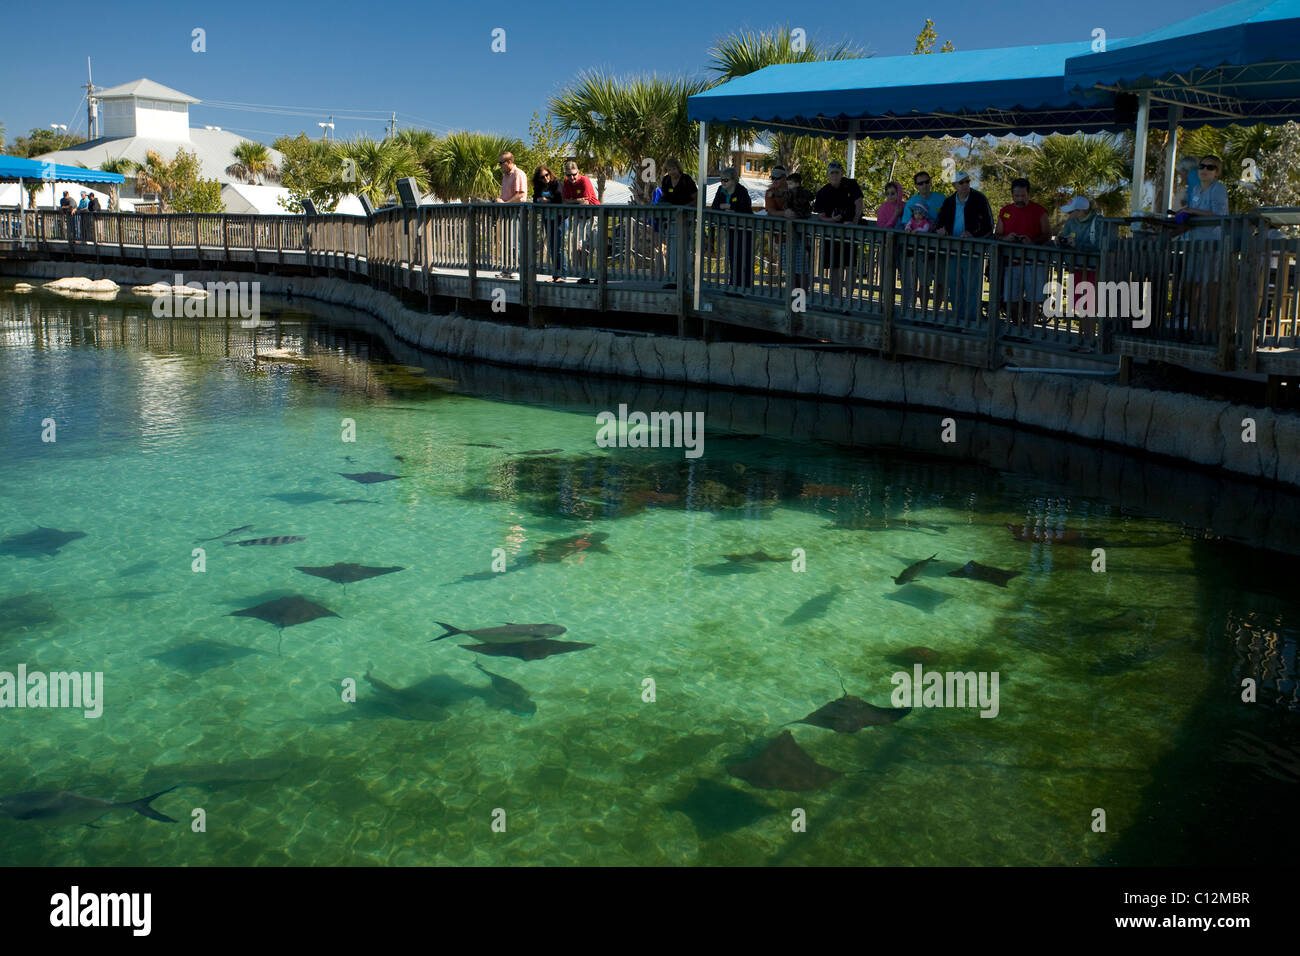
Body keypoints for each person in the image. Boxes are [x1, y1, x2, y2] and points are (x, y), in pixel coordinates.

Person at [1175, 154, 1229, 336]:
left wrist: (1191, 210)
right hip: (1195, 243)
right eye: (1202, 166)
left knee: (1209, 285)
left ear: (1217, 172)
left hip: (1212, 244)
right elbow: (1196, 212)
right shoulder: (1196, 189)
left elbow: (1220, 213)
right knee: (1192, 284)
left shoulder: (1219, 188)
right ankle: (1194, 324)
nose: (1205, 170)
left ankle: (1209, 326)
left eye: (1210, 167)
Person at [935, 171, 994, 323]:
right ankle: (957, 317)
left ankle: (971, 320)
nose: (966, 184)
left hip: (972, 250)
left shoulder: (979, 199)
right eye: (962, 182)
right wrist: (941, 230)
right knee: (954, 284)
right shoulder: (948, 202)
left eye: (968, 181)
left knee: (971, 285)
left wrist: (973, 235)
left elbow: (989, 225)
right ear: (954, 185)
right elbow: (939, 222)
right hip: (953, 249)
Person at [997, 177, 1051, 333]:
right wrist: (1007, 238)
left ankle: (1029, 327)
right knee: (1010, 298)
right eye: (1017, 196)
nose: (1020, 199)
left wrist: (1032, 242)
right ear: (1012, 194)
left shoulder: (1039, 211)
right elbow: (997, 234)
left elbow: (1047, 234)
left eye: (1023, 196)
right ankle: (1017, 325)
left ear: (1028, 194)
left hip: (1034, 262)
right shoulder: (1005, 211)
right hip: (1011, 262)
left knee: (1033, 298)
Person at [813, 161, 864, 311]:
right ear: (828, 175)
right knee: (834, 267)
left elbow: (859, 203)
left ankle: (848, 299)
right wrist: (832, 220)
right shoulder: (823, 192)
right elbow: (820, 215)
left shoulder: (851, 185)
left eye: (837, 172)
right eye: (832, 173)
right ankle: (836, 298)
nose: (834, 175)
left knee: (850, 266)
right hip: (832, 234)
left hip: (849, 232)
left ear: (842, 173)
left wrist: (854, 222)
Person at [1057, 196, 1103, 352]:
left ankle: (1089, 341)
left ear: (1082, 210)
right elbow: (1066, 238)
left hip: (1092, 269)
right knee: (1080, 305)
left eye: (1073, 211)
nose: (1070, 214)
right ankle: (1082, 339)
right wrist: (1061, 241)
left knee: (1089, 306)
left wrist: (1078, 245)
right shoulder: (1071, 222)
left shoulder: (1098, 221)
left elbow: (1100, 246)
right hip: (1076, 267)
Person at [901, 170, 947, 312]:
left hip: (941, 247)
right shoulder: (912, 201)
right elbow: (906, 223)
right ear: (916, 186)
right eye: (921, 183)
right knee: (924, 282)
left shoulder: (942, 199)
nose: (925, 185)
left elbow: (948, 219)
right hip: (921, 249)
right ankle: (924, 312)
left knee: (940, 282)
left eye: (927, 181)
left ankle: (936, 312)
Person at [710, 166, 754, 291]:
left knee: (744, 257)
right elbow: (715, 206)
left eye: (726, 180)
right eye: (721, 180)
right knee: (733, 256)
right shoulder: (720, 190)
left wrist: (728, 206)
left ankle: (744, 286)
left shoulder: (742, 191)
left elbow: (744, 207)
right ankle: (733, 284)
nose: (723, 182)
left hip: (745, 229)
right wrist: (727, 206)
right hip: (731, 228)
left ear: (734, 180)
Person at [659, 158, 696, 288]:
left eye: (673, 169)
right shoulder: (666, 180)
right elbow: (663, 197)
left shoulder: (686, 180)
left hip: (685, 219)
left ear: (678, 168)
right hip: (670, 220)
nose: (671, 172)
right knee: (670, 249)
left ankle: (684, 279)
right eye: (669, 170)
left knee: (684, 249)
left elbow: (696, 199)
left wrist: (684, 208)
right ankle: (672, 278)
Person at [560, 161, 600, 283]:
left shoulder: (584, 180)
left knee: (596, 246)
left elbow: (586, 201)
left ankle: (599, 276)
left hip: (593, 216)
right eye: (569, 175)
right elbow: (565, 201)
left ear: (578, 172)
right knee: (579, 247)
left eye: (574, 174)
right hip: (578, 217)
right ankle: (585, 275)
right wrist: (577, 200)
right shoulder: (566, 182)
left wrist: (572, 200)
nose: (572, 177)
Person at [494, 152, 527, 278]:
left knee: (515, 241)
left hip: (516, 211)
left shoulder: (518, 174)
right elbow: (505, 195)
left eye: (501, 163)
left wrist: (505, 203)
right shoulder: (505, 176)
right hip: (507, 212)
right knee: (506, 242)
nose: (500, 165)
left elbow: (520, 194)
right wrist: (499, 200)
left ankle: (517, 269)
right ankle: (506, 269)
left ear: (508, 162)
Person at [533, 166, 565, 281]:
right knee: (552, 247)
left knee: (559, 247)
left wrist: (548, 201)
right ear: (539, 179)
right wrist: (539, 200)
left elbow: (560, 199)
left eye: (547, 175)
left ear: (550, 174)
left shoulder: (556, 183)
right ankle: (555, 275)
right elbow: (534, 198)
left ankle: (562, 274)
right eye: (542, 177)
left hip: (559, 219)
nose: (546, 178)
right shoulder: (539, 187)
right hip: (547, 218)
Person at [786, 172, 814, 291]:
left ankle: (797, 292)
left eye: (790, 184)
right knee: (804, 257)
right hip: (805, 224)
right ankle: (802, 292)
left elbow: (786, 205)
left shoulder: (791, 194)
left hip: (796, 224)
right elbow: (812, 197)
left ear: (797, 183)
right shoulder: (805, 193)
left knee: (796, 262)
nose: (789, 186)